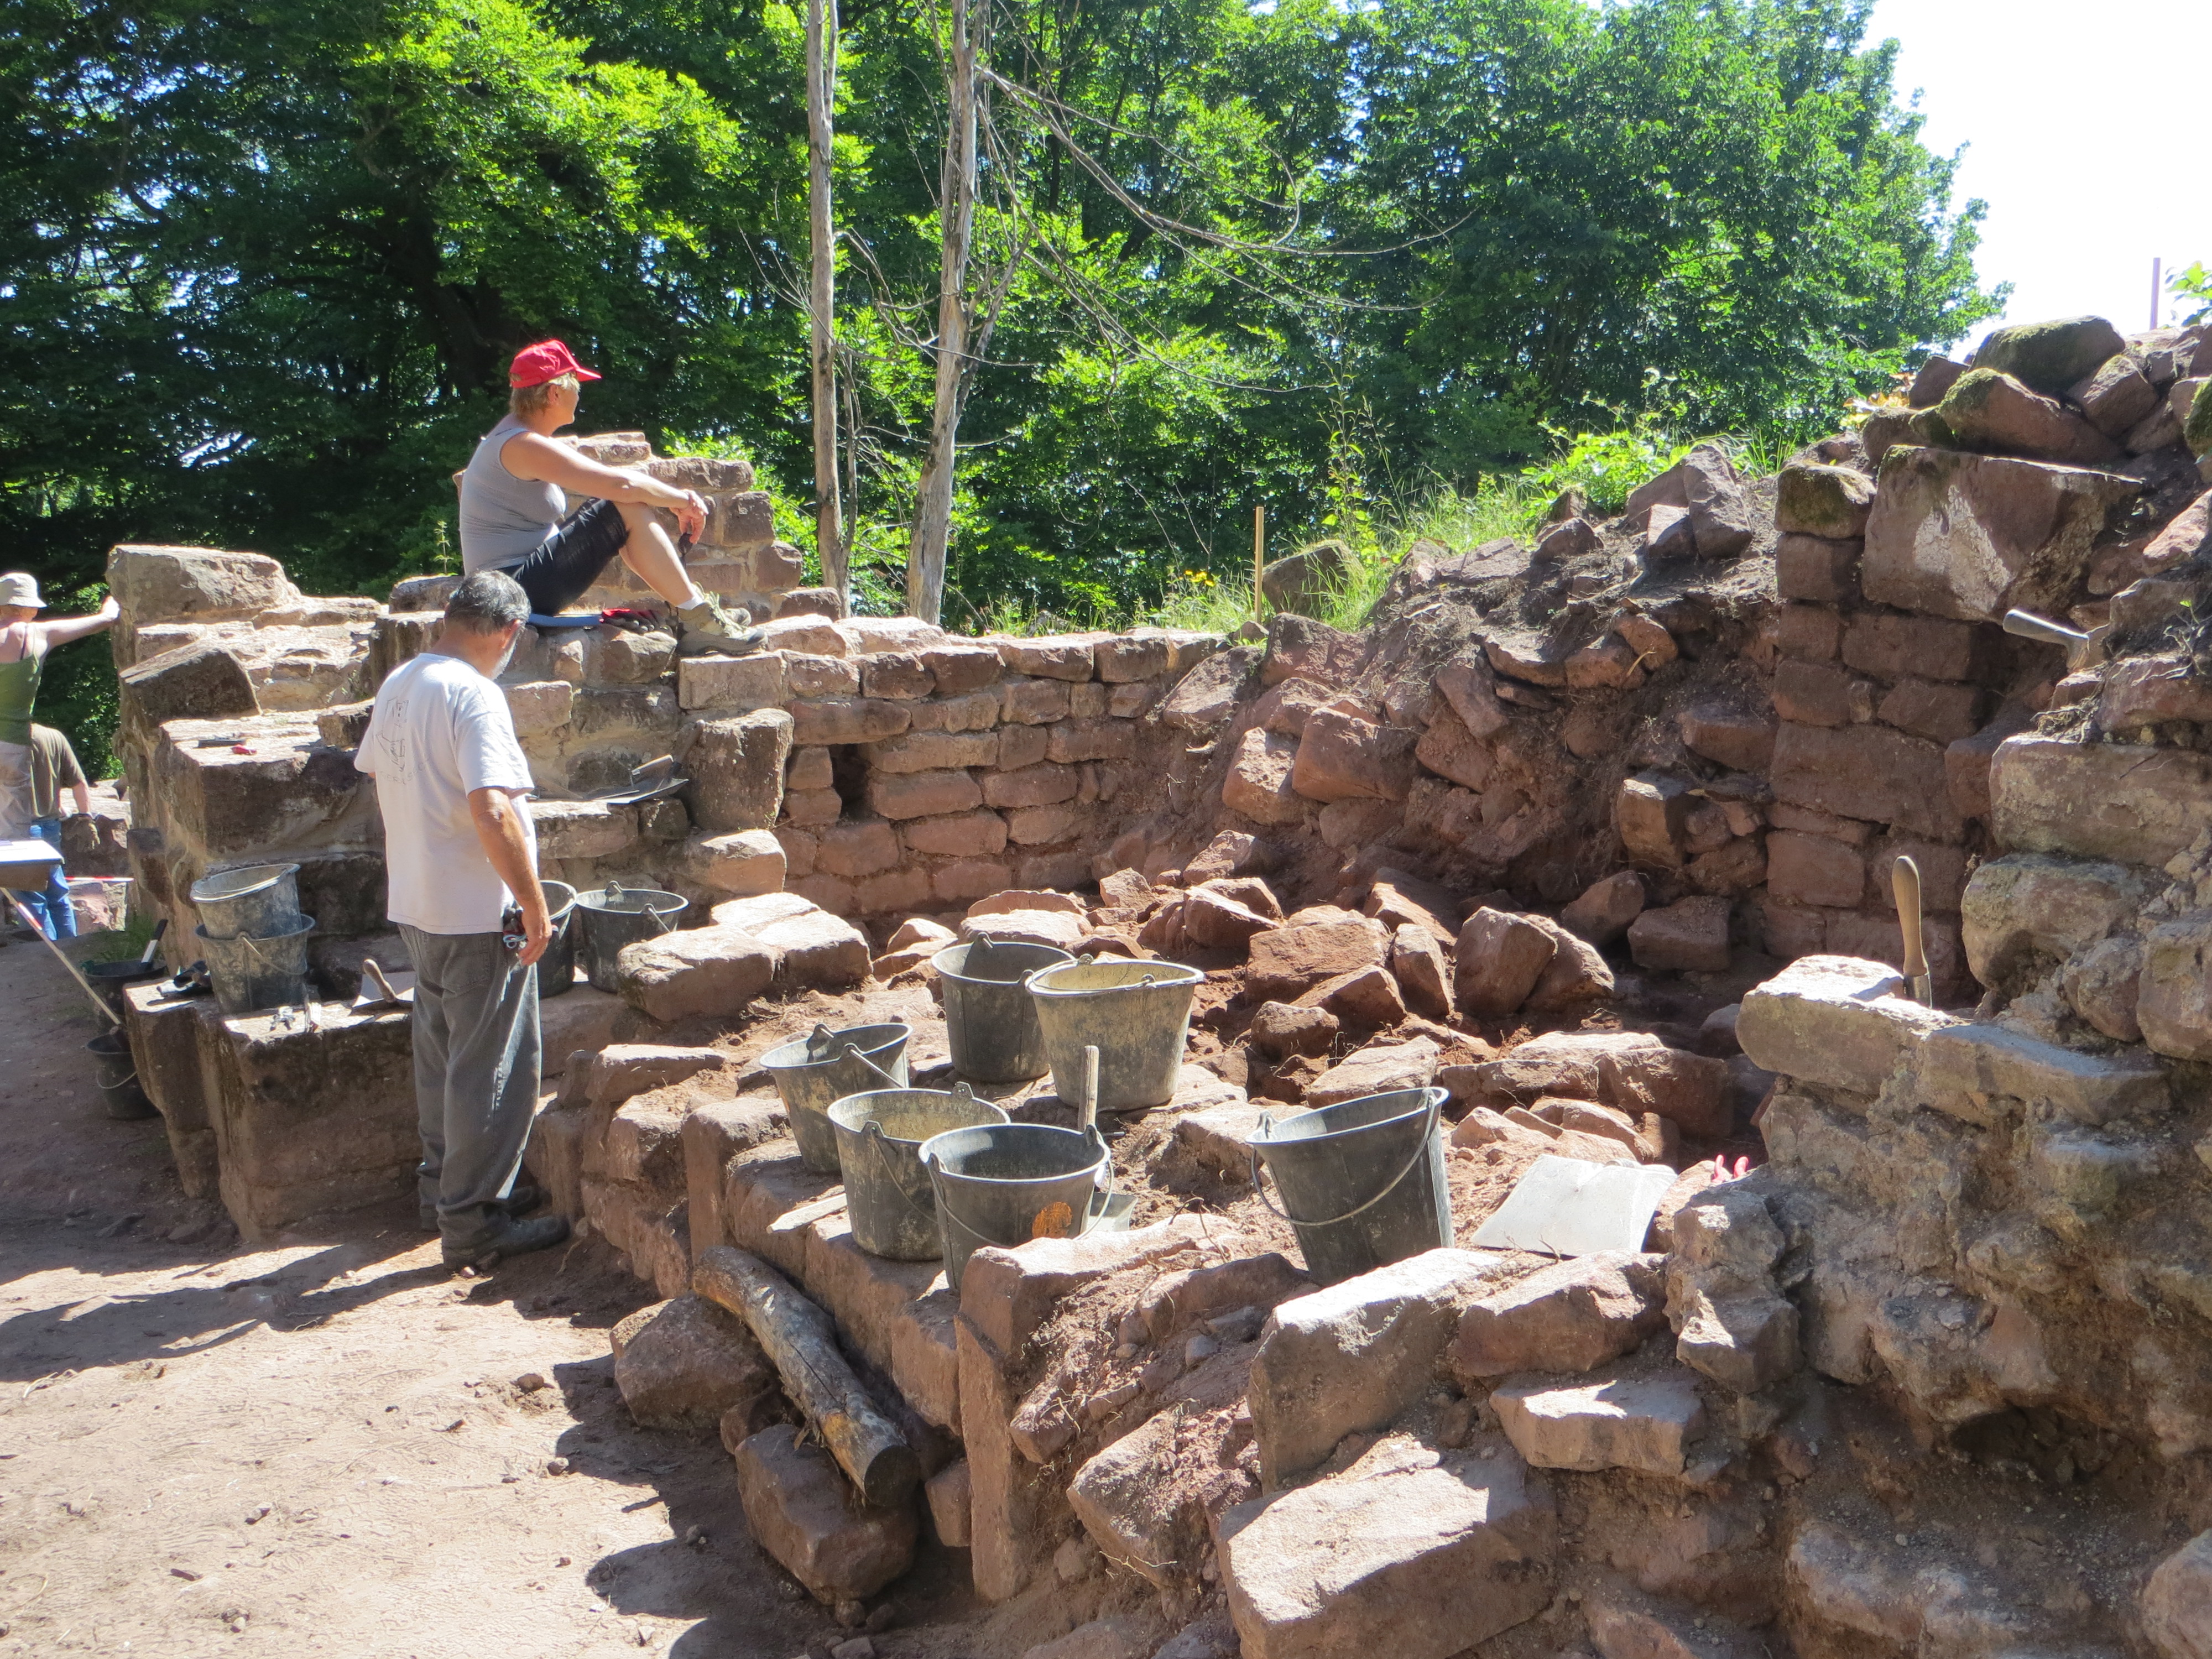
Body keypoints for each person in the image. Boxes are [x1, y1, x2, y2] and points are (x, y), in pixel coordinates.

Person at [356, 570, 569, 1269]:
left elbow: (380, 773)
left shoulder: (402, 681)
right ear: (509, 633)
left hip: (418, 903)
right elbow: (492, 808)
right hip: (476, 911)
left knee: (442, 1057)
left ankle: (441, 1194)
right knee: (492, 1068)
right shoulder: (475, 694)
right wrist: (532, 903)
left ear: (451, 616)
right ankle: (475, 1221)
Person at [459, 338, 759, 657]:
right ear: (555, 393)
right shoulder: (521, 445)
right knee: (622, 505)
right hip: (511, 591)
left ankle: (694, 613)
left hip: (514, 586)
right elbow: (622, 485)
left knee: (618, 506)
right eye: (576, 385)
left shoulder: (511, 438)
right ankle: (698, 619)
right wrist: (684, 500)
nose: (580, 395)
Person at [0, 574, 119, 843]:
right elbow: (105, 620)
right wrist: (112, 603)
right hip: (11, 744)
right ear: (30, 608)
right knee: (15, 835)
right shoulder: (39, 634)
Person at [8, 723, 92, 940]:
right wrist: (86, 817)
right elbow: (79, 782)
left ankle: (46, 951)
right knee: (57, 892)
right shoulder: (53, 736)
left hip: (19, 831)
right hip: (50, 826)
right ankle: (70, 946)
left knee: (31, 897)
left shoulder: (7, 739)